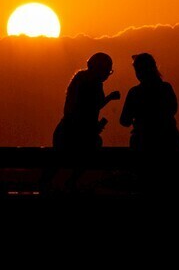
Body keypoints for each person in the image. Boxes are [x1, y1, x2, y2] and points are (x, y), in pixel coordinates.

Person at [41, 52, 120, 192]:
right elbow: (93, 106)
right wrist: (109, 98)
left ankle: (44, 186)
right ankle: (69, 183)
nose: (108, 74)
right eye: (107, 70)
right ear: (99, 68)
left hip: (64, 129)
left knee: (56, 164)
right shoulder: (94, 83)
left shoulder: (79, 79)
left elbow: (82, 106)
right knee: (92, 149)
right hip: (78, 134)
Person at [119, 53, 179, 152]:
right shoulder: (166, 88)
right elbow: (173, 110)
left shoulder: (135, 92)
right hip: (169, 138)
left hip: (143, 141)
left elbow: (124, 121)